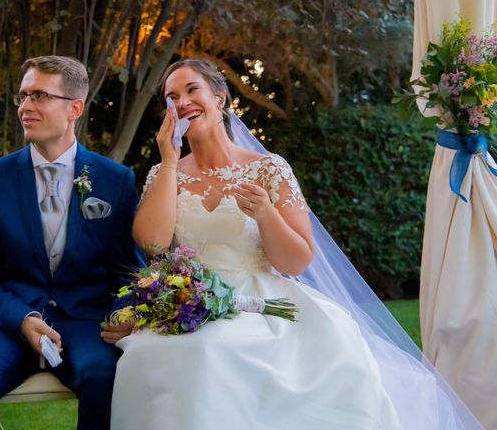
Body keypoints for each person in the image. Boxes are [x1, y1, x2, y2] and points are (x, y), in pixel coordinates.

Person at [109, 59, 483, 429]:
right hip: (191, 299)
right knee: (154, 355)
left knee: (213, 352)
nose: (183, 102)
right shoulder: (165, 172)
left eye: (193, 90)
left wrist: (266, 215)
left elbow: (296, 261)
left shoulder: (269, 168)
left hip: (264, 299)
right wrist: (169, 161)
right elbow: (153, 243)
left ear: (220, 98)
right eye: (172, 97)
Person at [0, 55, 145, 430]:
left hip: (86, 321)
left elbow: (128, 271)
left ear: (75, 109)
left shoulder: (115, 180)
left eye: (39, 96)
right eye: (22, 96)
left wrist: (125, 313)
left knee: (106, 376)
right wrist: (23, 318)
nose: (25, 107)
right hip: (7, 322)